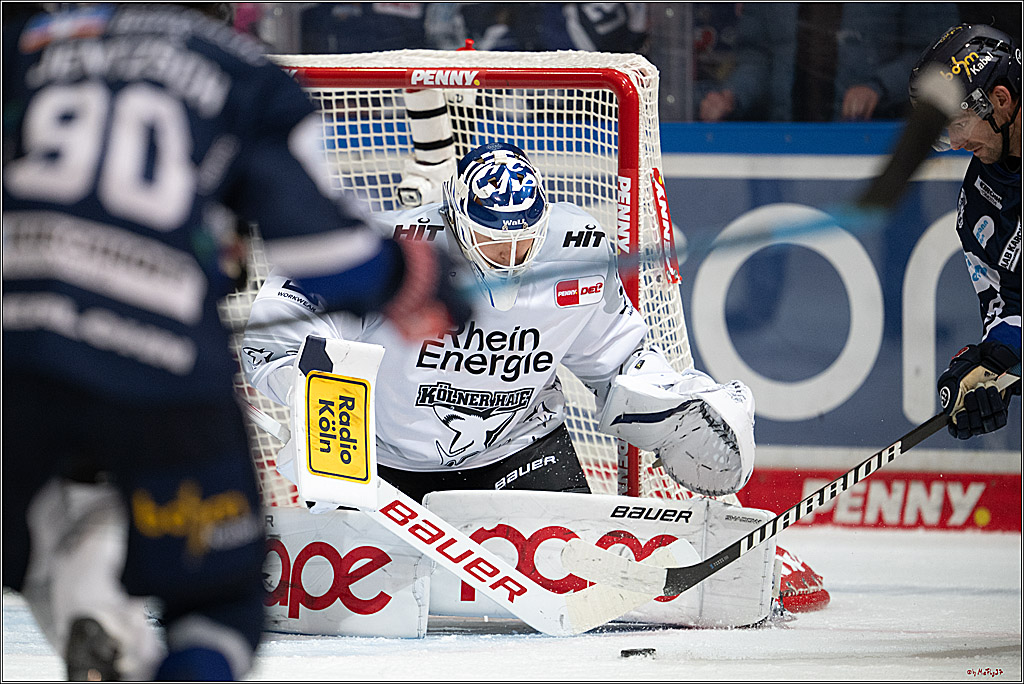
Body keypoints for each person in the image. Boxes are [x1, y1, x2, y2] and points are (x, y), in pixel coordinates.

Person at [2, 3, 466, 681]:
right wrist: (415, 279)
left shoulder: (27, 45)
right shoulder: (238, 71)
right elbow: (327, 252)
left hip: (16, 357)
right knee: (219, 603)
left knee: (50, 522)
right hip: (157, 365)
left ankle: (87, 605)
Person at [243, 142, 756, 505]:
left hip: (519, 453)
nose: (509, 259)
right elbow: (280, 327)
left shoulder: (575, 249)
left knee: (580, 576)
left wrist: (670, 407)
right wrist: (304, 385)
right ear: (456, 221)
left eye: (523, 241)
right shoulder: (401, 247)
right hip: (383, 465)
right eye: (492, 241)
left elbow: (615, 356)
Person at [908, 24, 1022, 439]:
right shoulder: (978, 203)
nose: (954, 142)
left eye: (958, 123)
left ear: (1001, 100)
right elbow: (1007, 305)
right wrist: (989, 364)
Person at [699, 3, 959, 122]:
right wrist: (733, 96)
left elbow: (940, 54)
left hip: (876, 145)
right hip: (783, 146)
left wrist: (878, 88)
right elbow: (758, 56)